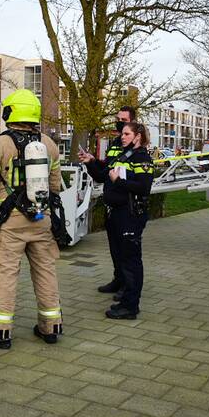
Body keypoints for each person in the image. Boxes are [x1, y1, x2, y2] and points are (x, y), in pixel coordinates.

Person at [0, 89, 65, 348]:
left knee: (6, 275)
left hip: (10, 221)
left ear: (9, 112)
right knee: (46, 272)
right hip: (42, 219)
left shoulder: (0, 145)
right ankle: (50, 327)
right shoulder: (49, 144)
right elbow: (55, 186)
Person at [79, 122, 155, 319]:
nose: (122, 136)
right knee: (122, 258)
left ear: (138, 136)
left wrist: (118, 181)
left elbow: (143, 187)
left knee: (131, 261)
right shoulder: (124, 155)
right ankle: (126, 300)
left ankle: (130, 307)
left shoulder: (142, 158)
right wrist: (90, 162)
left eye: (127, 134)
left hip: (130, 214)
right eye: (123, 134)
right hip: (117, 214)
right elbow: (102, 176)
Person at [85, 105, 137, 296]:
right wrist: (91, 162)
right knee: (115, 249)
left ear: (132, 123)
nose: (119, 123)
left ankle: (128, 287)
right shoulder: (115, 144)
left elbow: (138, 182)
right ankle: (118, 279)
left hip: (127, 208)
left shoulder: (136, 150)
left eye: (123, 121)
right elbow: (103, 174)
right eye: (118, 119)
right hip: (112, 206)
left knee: (126, 251)